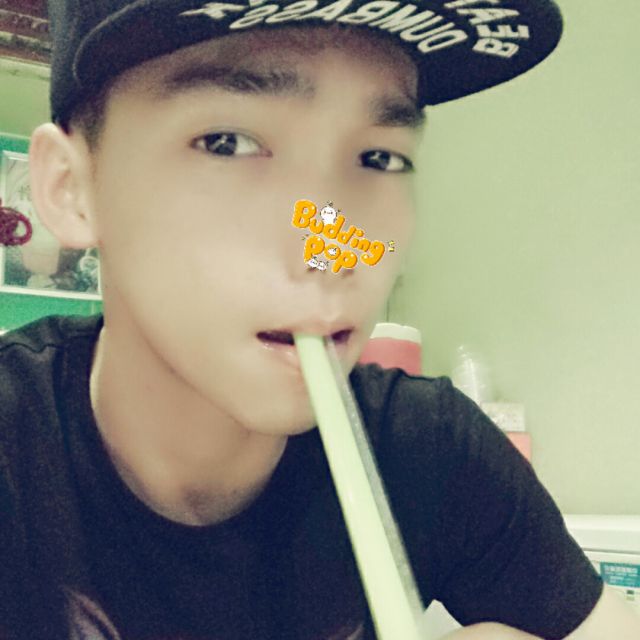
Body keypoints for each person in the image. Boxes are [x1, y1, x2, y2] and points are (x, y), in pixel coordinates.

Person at [1, 1, 639, 638]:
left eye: (379, 158)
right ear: (70, 186)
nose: (329, 248)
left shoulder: (429, 450)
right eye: (228, 143)